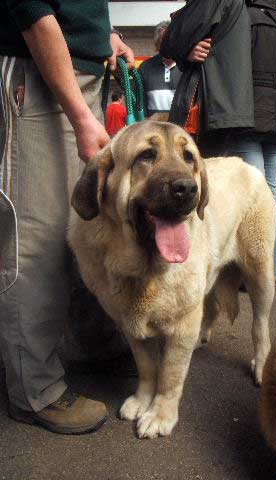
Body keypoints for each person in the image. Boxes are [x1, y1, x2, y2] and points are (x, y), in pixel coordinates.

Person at [0, 1, 134, 434]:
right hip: (37, 67)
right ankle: (34, 390)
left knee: (86, 224)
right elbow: (33, 8)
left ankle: (94, 344)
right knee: (37, 232)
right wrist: (79, 114)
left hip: (80, 70)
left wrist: (101, 38)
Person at [162, 0, 276, 280]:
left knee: (252, 198)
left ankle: (257, 274)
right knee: (270, 195)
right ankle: (271, 273)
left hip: (244, 119)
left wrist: (189, 50)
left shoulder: (238, 18)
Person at [160, 0, 255, 154]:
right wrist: (187, 52)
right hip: (230, 107)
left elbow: (169, 40)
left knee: (197, 169)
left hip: (209, 105)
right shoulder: (243, 8)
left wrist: (185, 49)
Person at [138, 21, 182, 117]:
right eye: (164, 41)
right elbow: (140, 101)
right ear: (157, 44)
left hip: (180, 128)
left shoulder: (187, 67)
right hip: (153, 128)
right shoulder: (145, 68)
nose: (169, 44)